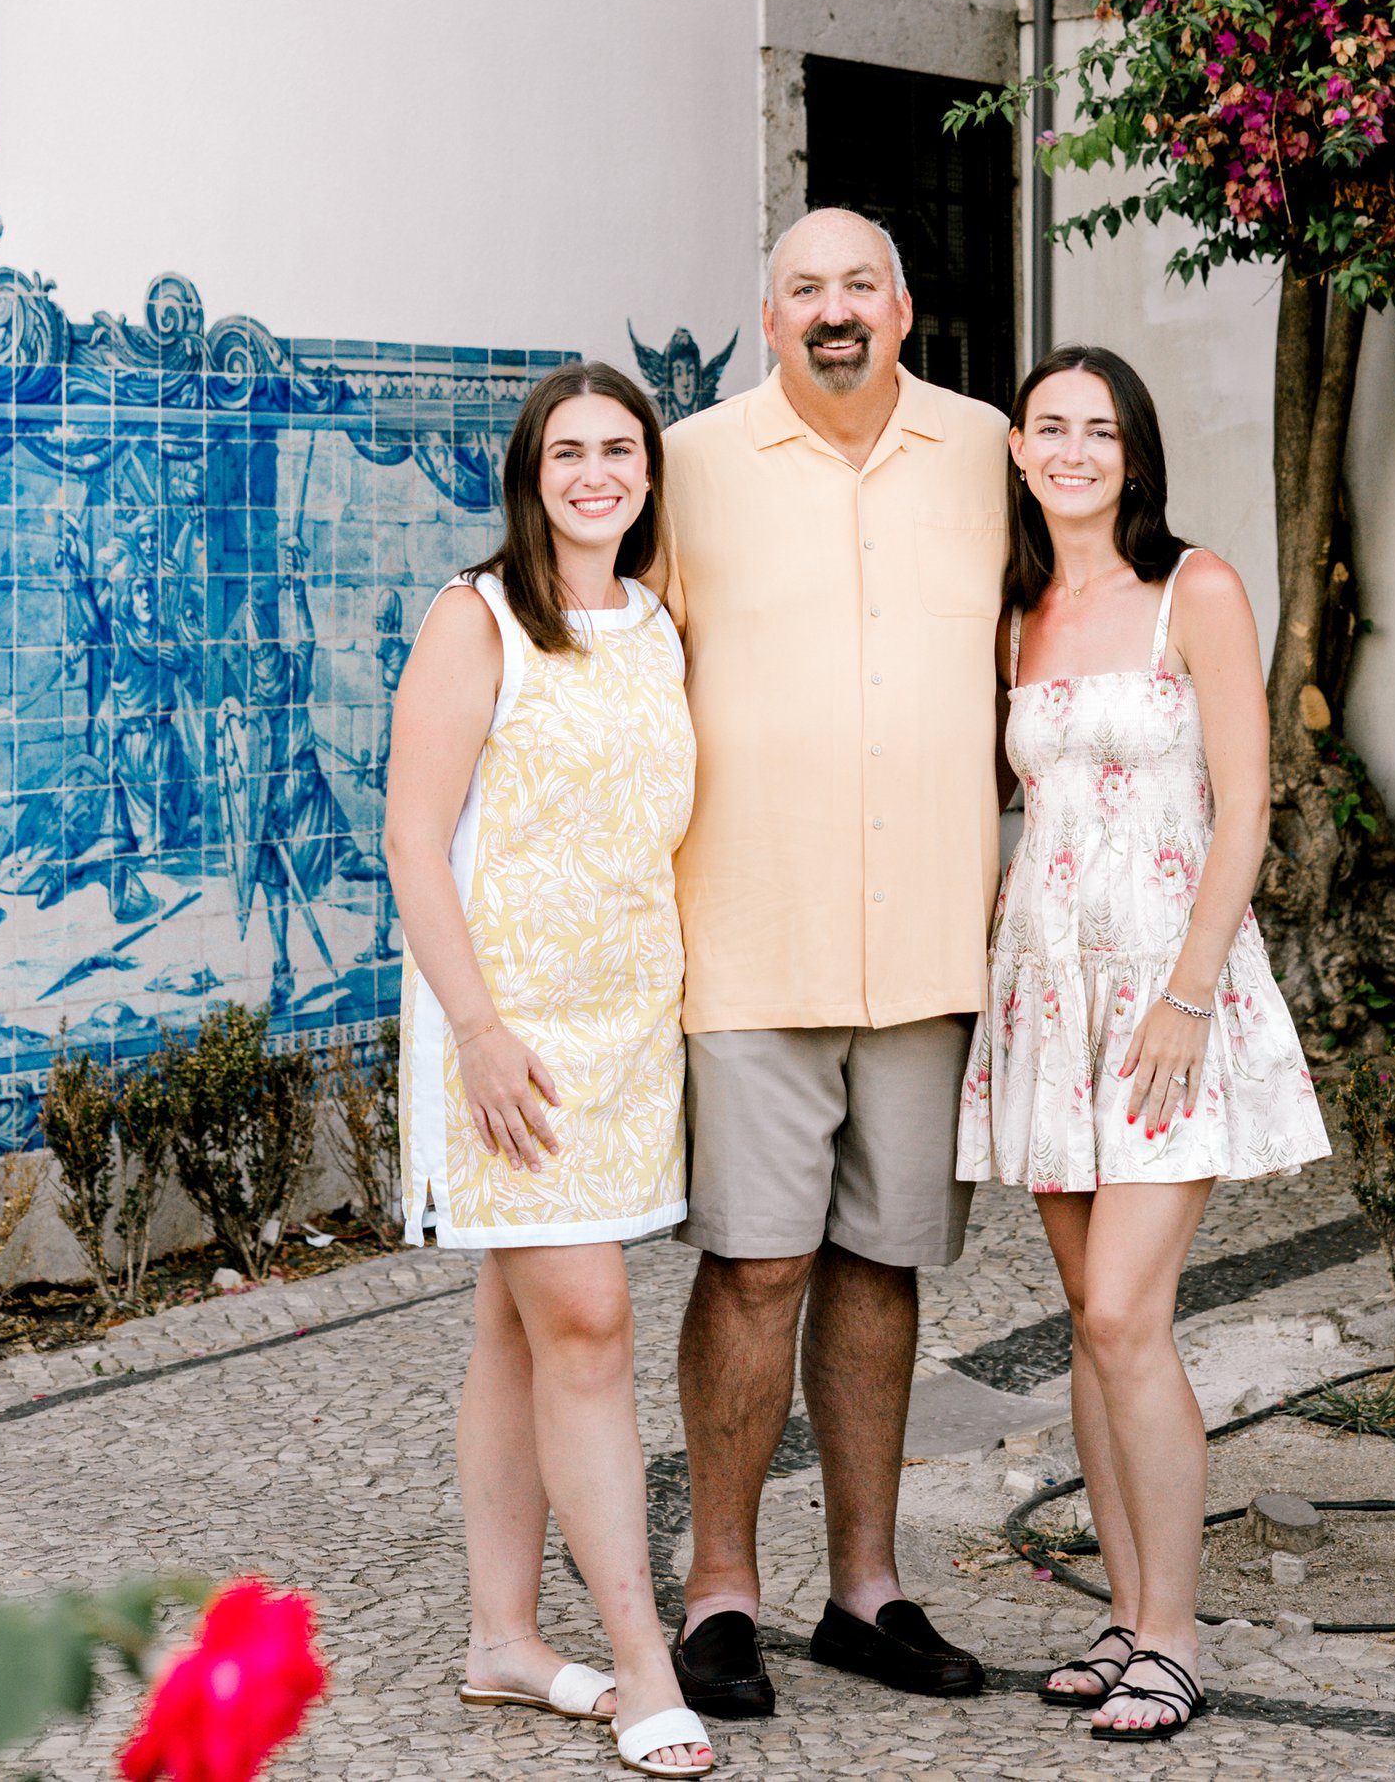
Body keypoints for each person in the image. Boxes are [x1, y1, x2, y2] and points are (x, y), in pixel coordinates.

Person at [660, 206, 1007, 1722]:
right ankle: (719, 1591)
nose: (835, 308)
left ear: (905, 307)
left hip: (931, 940)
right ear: (770, 316)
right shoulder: (690, 464)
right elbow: (614, 661)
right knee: (756, 1262)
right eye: (805, 288)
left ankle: (866, 1589)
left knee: (882, 1260)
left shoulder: (990, 450)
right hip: (751, 935)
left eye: (861, 282)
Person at [958, 345, 1330, 1743]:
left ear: (1135, 453)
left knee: (1126, 1312)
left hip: (1170, 997)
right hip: (1049, 994)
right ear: (1017, 448)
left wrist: (1185, 993)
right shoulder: (1014, 616)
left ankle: (1174, 1636)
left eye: (1099, 430)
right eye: (1049, 426)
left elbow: (1246, 807)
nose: (1072, 449)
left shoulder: (1198, 589)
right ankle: (1124, 1614)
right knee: (1090, 1321)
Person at [385, 364, 713, 1778]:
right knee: (587, 1320)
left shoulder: (656, 620)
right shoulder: (477, 617)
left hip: (629, 1025)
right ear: (530, 472)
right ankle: (643, 1663)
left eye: (619, 449)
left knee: (515, 1333)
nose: (596, 473)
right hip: (506, 1037)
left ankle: (504, 1640)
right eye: (567, 451)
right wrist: (476, 1030)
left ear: (648, 472)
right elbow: (412, 838)